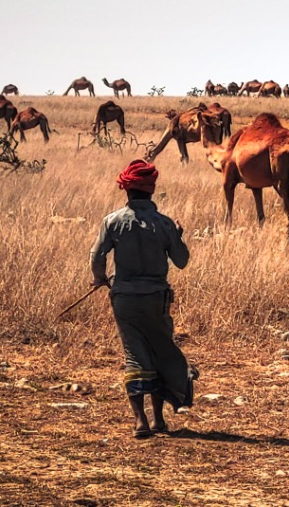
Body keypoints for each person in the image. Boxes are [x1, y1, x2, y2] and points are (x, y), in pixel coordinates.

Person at [90, 159, 195, 438]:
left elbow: (97, 255)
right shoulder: (164, 224)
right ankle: (159, 420)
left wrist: (100, 279)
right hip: (156, 299)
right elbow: (181, 261)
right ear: (151, 190)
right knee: (159, 351)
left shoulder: (111, 221)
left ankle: (140, 421)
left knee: (134, 354)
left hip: (124, 298)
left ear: (127, 191)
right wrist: (178, 237)